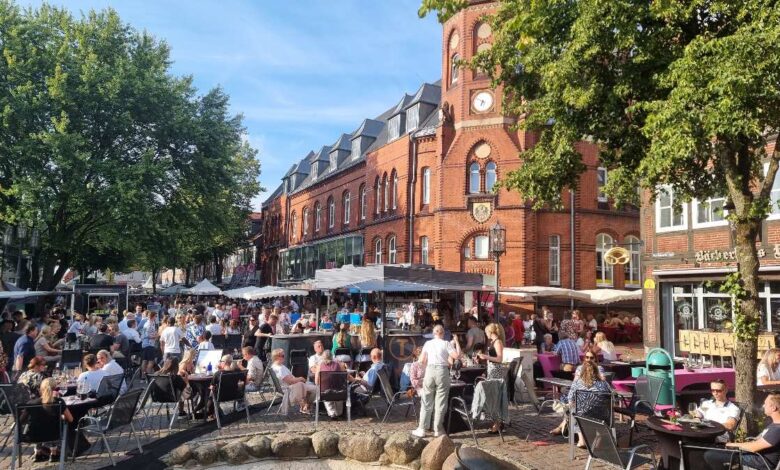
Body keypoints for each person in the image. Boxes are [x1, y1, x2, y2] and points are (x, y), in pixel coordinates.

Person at [704, 394, 780, 469]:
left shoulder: (777, 429)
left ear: (773, 408)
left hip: (760, 461)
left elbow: (753, 447)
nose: (763, 406)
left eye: (765, 404)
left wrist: (728, 444)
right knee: (716, 450)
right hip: (756, 455)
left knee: (710, 455)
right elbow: (757, 443)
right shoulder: (775, 424)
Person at [411, 325, 461, 438]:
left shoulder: (428, 344)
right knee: (441, 401)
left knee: (426, 400)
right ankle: (438, 429)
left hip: (430, 370)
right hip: (442, 371)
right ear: (443, 334)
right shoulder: (446, 343)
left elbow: (422, 360)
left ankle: (422, 429)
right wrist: (456, 343)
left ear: (433, 333)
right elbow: (456, 356)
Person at [550, 358, 612, 447]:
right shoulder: (604, 383)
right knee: (602, 411)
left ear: (582, 371)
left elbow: (570, 399)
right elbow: (611, 396)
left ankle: (581, 440)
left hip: (582, 415)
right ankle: (598, 441)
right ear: (596, 371)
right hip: (601, 415)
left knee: (575, 411)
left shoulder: (577, 383)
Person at [28, 378, 74, 462]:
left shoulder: (31, 403)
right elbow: (70, 419)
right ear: (55, 389)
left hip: (33, 435)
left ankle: (37, 453)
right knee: (54, 424)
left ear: (41, 388)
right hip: (54, 434)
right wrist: (62, 417)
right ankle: (54, 453)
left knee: (39, 424)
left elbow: (20, 420)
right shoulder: (59, 402)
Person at [477, 322, 506, 433]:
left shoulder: (497, 342)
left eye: (486, 332)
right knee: (493, 396)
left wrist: (486, 356)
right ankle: (497, 422)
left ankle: (498, 423)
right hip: (492, 370)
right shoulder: (493, 342)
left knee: (495, 396)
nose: (486, 334)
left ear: (491, 332)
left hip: (496, 372)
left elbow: (499, 359)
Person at [270, 348, 316, 413]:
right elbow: (290, 381)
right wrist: (301, 378)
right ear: (277, 357)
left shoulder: (277, 366)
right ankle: (305, 405)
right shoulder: (279, 368)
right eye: (283, 356)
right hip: (289, 388)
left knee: (312, 387)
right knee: (315, 389)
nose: (284, 357)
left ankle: (306, 405)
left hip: (292, 386)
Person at [315, 350, 347, 419]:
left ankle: (332, 413)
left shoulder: (320, 366)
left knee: (325, 392)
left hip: (325, 393)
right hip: (339, 392)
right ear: (332, 357)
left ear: (323, 357)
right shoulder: (338, 364)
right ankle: (338, 413)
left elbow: (316, 381)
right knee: (339, 412)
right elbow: (346, 376)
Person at [140, 310, 160, 377]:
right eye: (156, 316)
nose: (156, 317)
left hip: (146, 344)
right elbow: (145, 335)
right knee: (151, 361)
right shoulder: (148, 324)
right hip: (149, 344)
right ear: (153, 316)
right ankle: (147, 377)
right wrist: (156, 336)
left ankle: (143, 377)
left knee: (145, 361)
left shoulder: (150, 323)